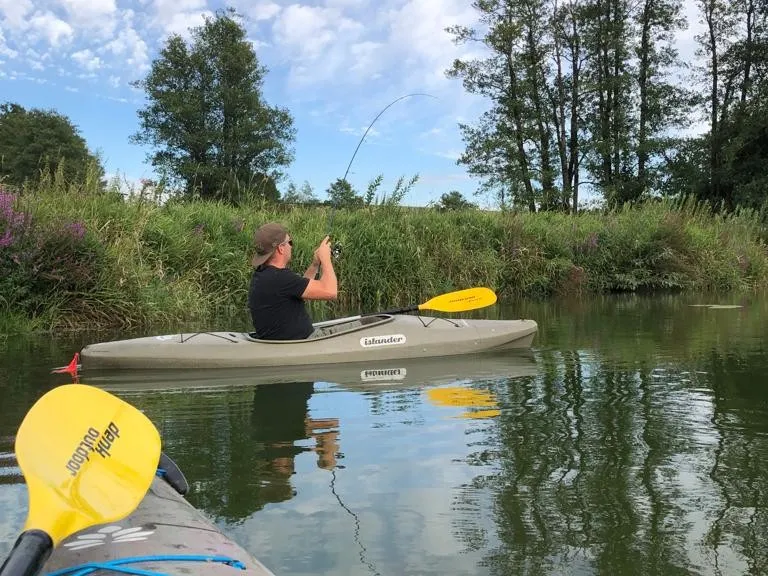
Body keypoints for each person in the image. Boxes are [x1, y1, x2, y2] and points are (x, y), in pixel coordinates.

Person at [247, 222, 337, 340]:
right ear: (280, 248)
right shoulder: (280, 278)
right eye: (290, 242)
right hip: (302, 343)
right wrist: (325, 259)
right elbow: (330, 291)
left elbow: (302, 290)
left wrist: (315, 264)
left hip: (286, 342)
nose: (291, 246)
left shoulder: (263, 275)